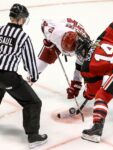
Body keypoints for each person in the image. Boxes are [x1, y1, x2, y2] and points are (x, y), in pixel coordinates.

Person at [0, 3, 48, 148]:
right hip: (8, 77)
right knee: (33, 102)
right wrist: (33, 76)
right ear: (20, 19)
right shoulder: (23, 37)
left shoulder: (0, 30)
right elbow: (29, 63)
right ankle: (33, 136)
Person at [36, 18, 91, 99]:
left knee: (86, 65)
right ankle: (32, 73)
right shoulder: (54, 33)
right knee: (43, 60)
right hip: (62, 35)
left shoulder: (83, 47)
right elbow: (44, 23)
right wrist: (49, 41)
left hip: (77, 41)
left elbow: (79, 67)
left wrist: (76, 85)